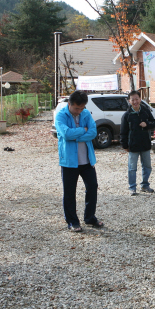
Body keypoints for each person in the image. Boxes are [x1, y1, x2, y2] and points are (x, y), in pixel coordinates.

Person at [55, 90, 104, 232]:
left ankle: (90, 217)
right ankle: (72, 221)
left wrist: (75, 136)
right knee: (69, 192)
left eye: (82, 108)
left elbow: (93, 132)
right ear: (69, 104)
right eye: (77, 108)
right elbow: (66, 134)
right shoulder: (61, 116)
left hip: (87, 160)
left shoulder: (86, 113)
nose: (79, 111)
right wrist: (83, 129)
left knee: (92, 187)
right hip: (69, 161)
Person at [120, 90, 155, 196]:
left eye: (137, 99)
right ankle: (132, 187)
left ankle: (145, 185)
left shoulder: (146, 111)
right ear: (129, 101)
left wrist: (147, 124)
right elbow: (123, 132)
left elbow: (154, 123)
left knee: (147, 166)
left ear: (140, 99)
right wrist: (125, 145)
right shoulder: (127, 115)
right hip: (133, 145)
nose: (135, 101)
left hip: (145, 144)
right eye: (133, 100)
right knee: (132, 168)